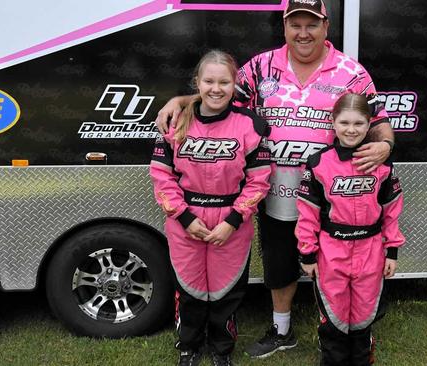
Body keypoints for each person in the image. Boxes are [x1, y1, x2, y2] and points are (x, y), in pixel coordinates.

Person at [155, 0, 395, 358]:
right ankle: (282, 331)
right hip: (273, 189)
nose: (303, 32)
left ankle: (343, 331)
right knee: (279, 261)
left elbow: (377, 117)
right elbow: (219, 94)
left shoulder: (350, 72)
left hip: (328, 193)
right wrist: (182, 99)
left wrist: (386, 144)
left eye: (311, 25)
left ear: (326, 27)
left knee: (332, 266)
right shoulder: (261, 66)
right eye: (295, 24)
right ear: (284, 27)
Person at [150, 50, 271, 366]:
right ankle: (189, 347)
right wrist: (185, 217)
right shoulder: (175, 122)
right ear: (197, 83)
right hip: (185, 220)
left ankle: (222, 350)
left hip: (231, 222)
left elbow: (259, 182)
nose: (216, 89)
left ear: (235, 86)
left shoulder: (250, 126)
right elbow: (162, 178)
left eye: (224, 82)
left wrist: (233, 219)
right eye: (209, 81)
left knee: (226, 291)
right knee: (189, 290)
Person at [296, 93, 405, 365]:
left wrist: (392, 250)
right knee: (334, 318)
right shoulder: (319, 162)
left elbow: (391, 209)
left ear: (369, 125)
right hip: (331, 251)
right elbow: (307, 212)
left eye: (359, 123)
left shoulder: (382, 164)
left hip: (371, 250)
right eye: (344, 122)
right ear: (333, 123)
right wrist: (307, 254)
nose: (351, 129)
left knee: (363, 317)